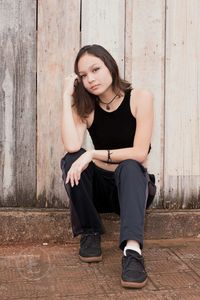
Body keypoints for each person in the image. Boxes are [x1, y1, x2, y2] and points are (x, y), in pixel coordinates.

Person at [60, 44, 154, 288]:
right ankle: (90, 233)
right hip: (100, 190)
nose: (90, 79)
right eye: (83, 75)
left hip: (132, 190)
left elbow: (140, 152)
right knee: (71, 158)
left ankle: (132, 254)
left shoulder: (140, 98)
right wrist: (65, 97)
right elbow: (71, 145)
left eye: (95, 69)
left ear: (110, 65)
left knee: (132, 165)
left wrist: (92, 153)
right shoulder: (88, 107)